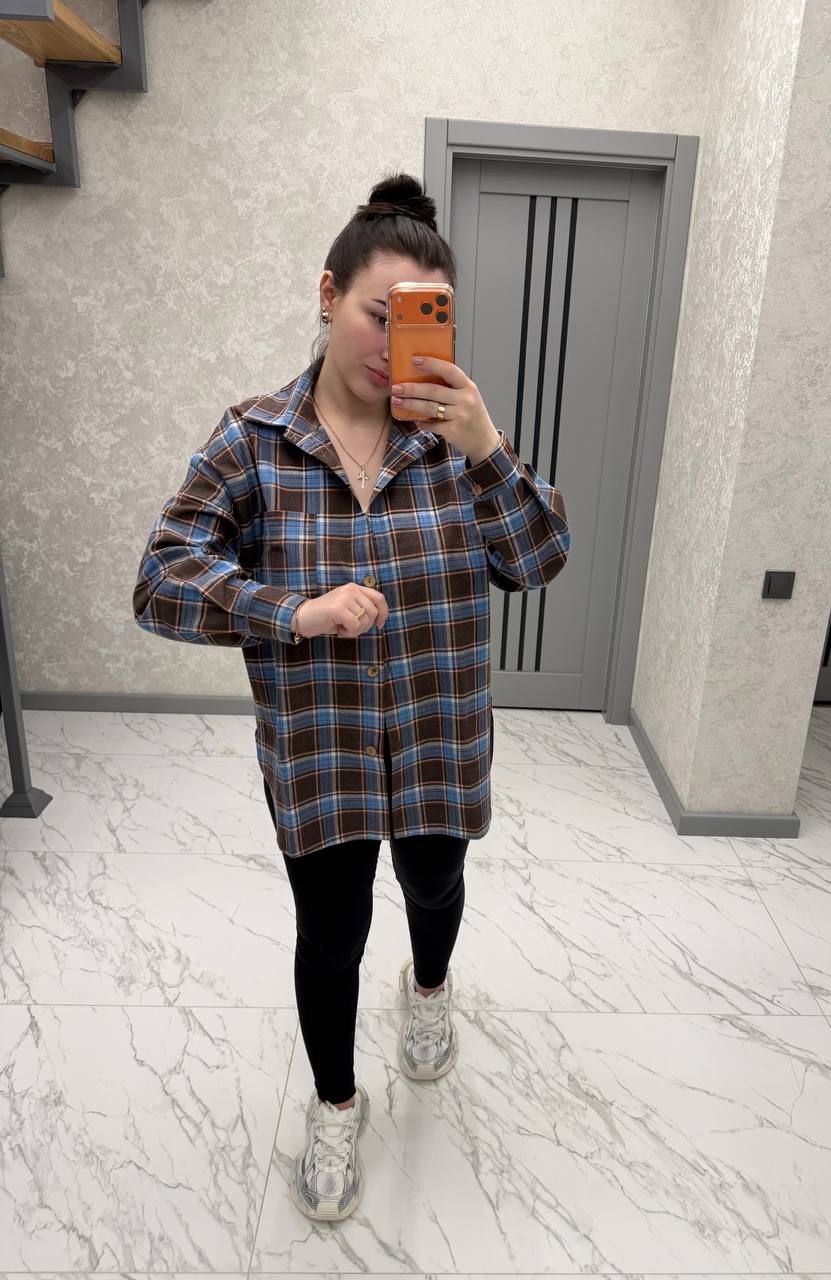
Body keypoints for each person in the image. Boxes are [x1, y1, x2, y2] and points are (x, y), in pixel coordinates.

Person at [132, 171, 571, 1223]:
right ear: (328, 295)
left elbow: (539, 558)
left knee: (433, 887)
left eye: (421, 319)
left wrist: (488, 449)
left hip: (436, 738)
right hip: (320, 752)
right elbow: (159, 579)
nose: (392, 343)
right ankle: (336, 1104)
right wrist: (291, 610)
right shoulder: (254, 440)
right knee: (329, 937)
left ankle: (430, 990)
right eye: (380, 313)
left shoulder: (455, 444)